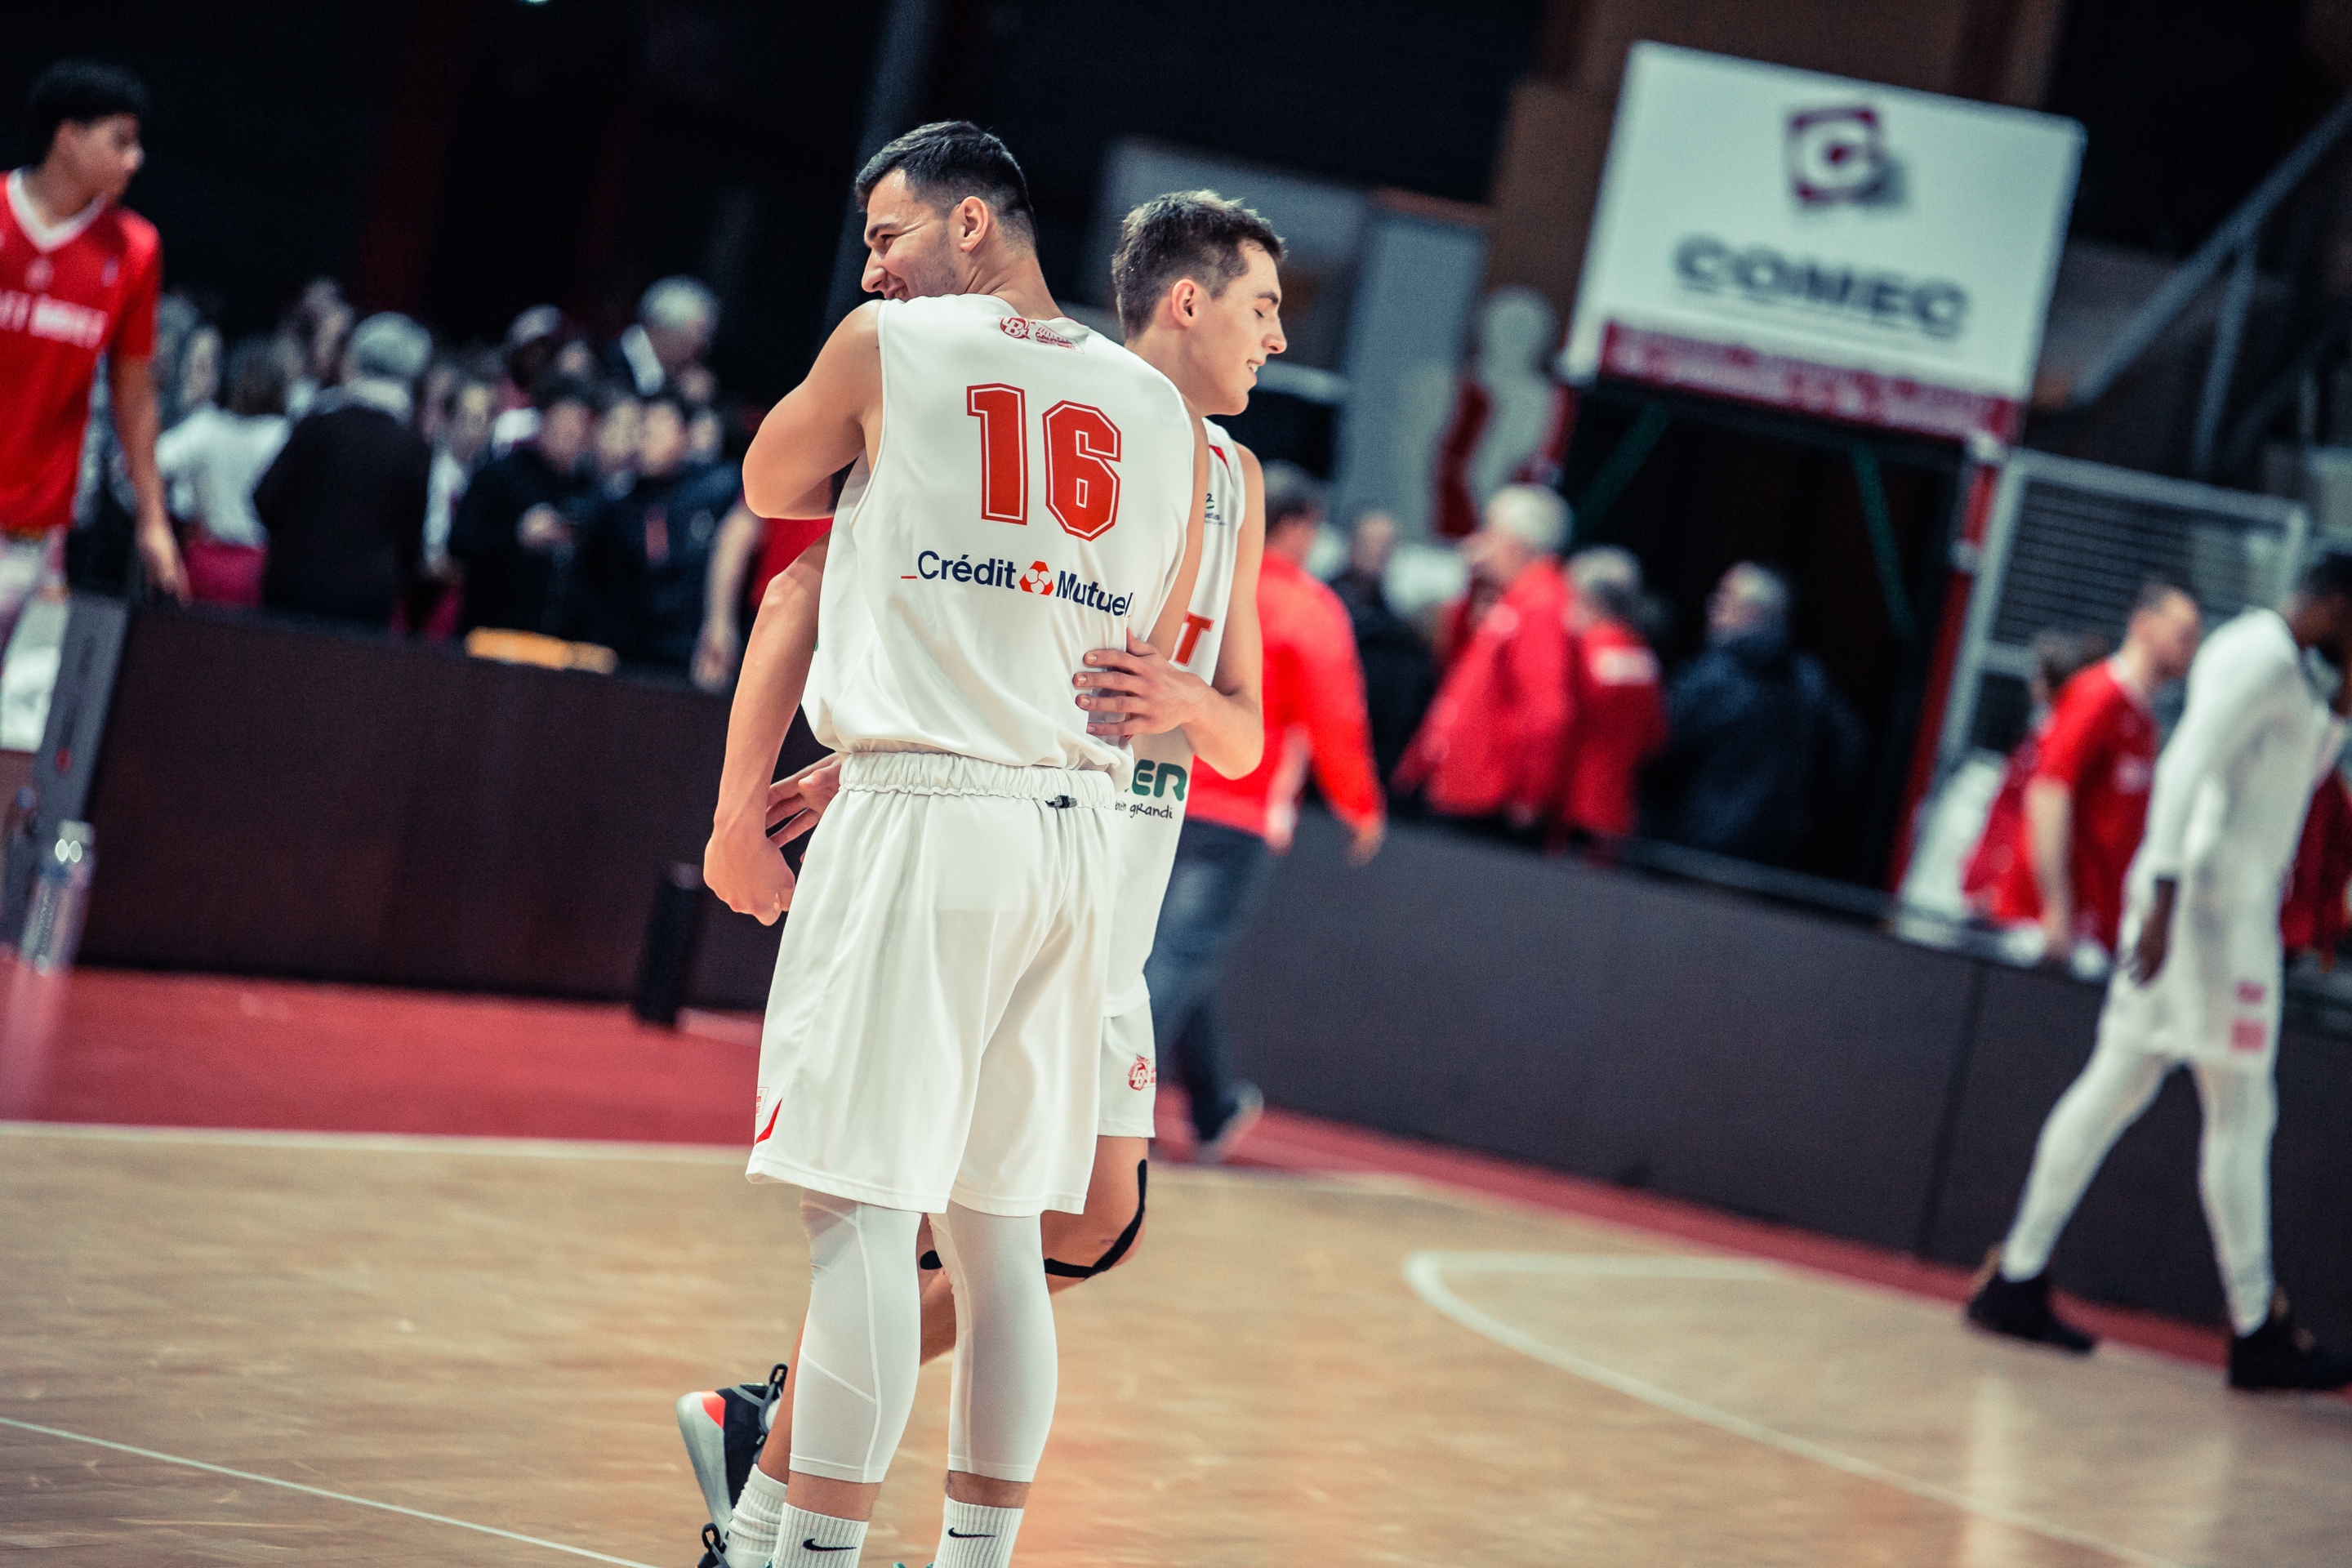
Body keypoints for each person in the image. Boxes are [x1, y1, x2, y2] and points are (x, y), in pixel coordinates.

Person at [676, 184, 1284, 1568]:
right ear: (1182, 301)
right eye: (1263, 310)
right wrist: (885, 748)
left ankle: (780, 1471)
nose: (1278, 343)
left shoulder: (1219, 478)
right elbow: (832, 588)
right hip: (1045, 839)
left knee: (1028, 1221)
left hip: (1057, 855)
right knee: (1004, 1225)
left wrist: (1182, 702)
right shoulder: (1072, 401)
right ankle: (778, 1471)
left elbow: (1244, 729)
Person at [1966, 555, 2352, 1392]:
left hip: (2216, 912)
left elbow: (2288, 782)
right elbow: (2185, 769)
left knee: (2121, 1086)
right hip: (2209, 918)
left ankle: (2018, 1275)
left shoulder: (2289, 671)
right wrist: (2166, 896)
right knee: (2241, 1112)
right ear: (2331, 606)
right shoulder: (2258, 657)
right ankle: (2255, 1327)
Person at [1174, 461, 1385, 1157]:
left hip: (1152, 788)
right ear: (1296, 525)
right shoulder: (1307, 606)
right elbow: (1336, 717)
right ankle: (1088, 1106)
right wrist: (1360, 805)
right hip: (1238, 811)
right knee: (1173, 958)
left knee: (1173, 955)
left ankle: (1213, 1107)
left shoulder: (1198, 571)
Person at [1, 58, 184, 655]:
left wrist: (153, 519)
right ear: (68, 135)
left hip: (28, 528)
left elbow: (134, 393)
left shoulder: (134, 249)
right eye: (121, 141)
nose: (136, 160)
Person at [1980, 583, 2201, 966]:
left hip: (2097, 929)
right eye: (2183, 634)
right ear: (2144, 625)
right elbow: (2048, 796)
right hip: (2046, 930)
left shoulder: (2144, 720)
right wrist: (2057, 909)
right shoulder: (2097, 696)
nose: (2191, 648)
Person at [1643, 561, 1862, 869]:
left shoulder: (1714, 676)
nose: (1711, 607)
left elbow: (1655, 747)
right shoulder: (1810, 679)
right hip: (1770, 860)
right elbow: (1846, 757)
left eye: (1723, 599)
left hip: (1693, 852)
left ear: (1752, 613)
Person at [1395, 484, 1573, 841]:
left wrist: (1530, 791)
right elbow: (1455, 661)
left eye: (1490, 532)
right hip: (1462, 783)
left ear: (1518, 543)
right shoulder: (1516, 600)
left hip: (1484, 793)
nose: (1478, 543)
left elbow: (1546, 710)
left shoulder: (1541, 605)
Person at [251, 312, 433, 626]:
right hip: (364, 603)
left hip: (290, 590)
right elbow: (411, 545)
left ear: (356, 363)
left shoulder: (316, 426)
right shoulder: (413, 449)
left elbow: (264, 498)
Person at [575, 390, 746, 682]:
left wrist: (719, 622)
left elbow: (743, 529)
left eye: (658, 428)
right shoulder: (615, 501)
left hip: (693, 652)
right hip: (628, 657)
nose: (647, 438)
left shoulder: (718, 487)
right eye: (643, 428)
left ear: (685, 434)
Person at [1961, 629, 2114, 924]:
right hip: (1994, 890)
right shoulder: (2038, 735)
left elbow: (2030, 819)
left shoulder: (2059, 742)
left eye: (2039, 675)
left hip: (2018, 899)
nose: (2032, 683)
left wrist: (2001, 885)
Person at [448, 374, 599, 636]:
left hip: (558, 640)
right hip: (492, 629)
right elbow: (460, 543)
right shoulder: (501, 473)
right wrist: (517, 536)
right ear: (542, 420)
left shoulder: (590, 489)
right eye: (561, 422)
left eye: (577, 425)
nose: (568, 433)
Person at [154, 336, 292, 608]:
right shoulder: (284, 436)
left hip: (206, 562)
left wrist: (166, 521)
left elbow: (152, 465)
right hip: (260, 568)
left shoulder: (207, 428)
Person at [1554, 545, 1667, 843]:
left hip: (1570, 806)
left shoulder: (1583, 652)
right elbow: (1654, 739)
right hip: (1618, 811)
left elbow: (1559, 725)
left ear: (1589, 598)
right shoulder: (1646, 660)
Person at [1330, 509, 1438, 784]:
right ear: (1352, 545)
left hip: (1367, 751)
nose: (1379, 553)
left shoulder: (1398, 626)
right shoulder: (1320, 604)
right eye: (1371, 543)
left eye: (1387, 546)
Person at [608, 274, 718, 398]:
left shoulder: (680, 375)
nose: (704, 345)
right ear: (664, 330)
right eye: (699, 333)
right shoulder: (607, 364)